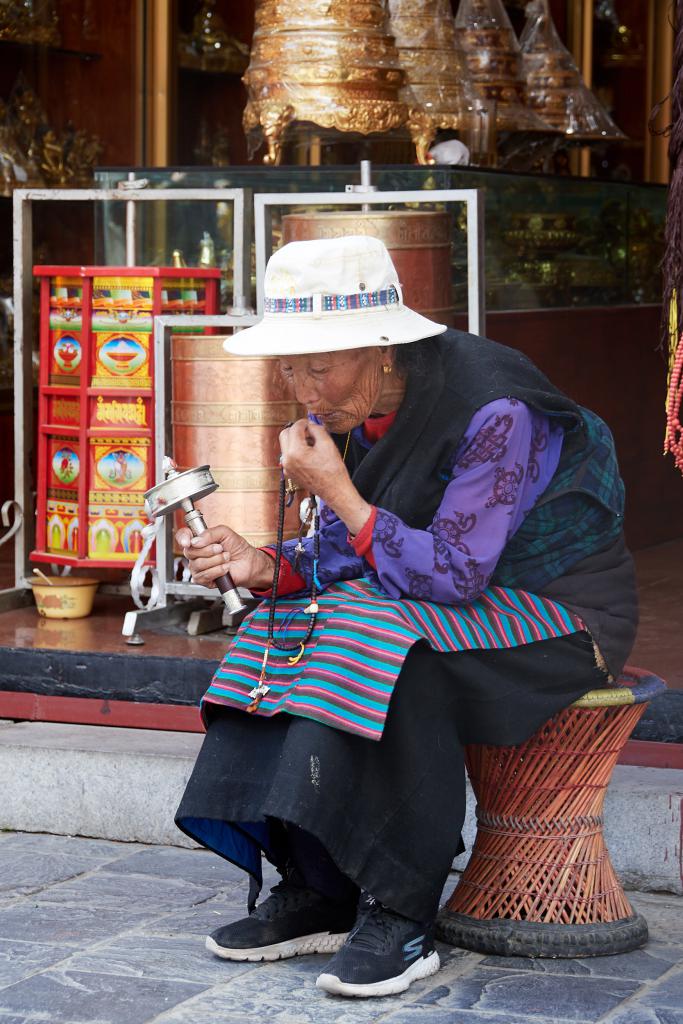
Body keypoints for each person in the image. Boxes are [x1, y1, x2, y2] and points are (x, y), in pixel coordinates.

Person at [175, 234, 637, 999]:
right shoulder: (361, 414)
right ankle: (319, 885)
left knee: (393, 647)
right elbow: (348, 552)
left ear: (384, 348)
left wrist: (340, 490)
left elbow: (453, 574)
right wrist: (263, 566)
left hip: (562, 613)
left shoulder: (496, 407)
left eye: (318, 364)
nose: (301, 387)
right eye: (287, 365)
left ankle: (399, 911)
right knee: (284, 622)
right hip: (441, 599)